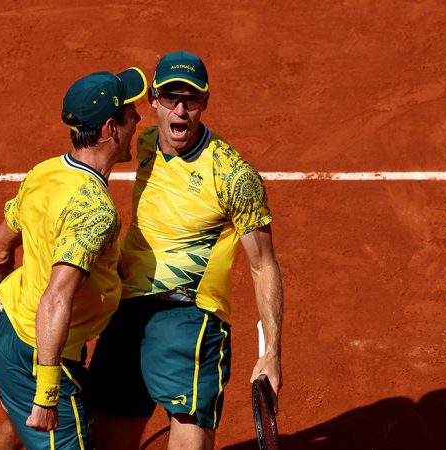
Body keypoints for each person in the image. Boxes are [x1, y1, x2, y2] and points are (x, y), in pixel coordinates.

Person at [88, 51, 284, 450]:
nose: (181, 110)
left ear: (205, 102)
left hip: (189, 315)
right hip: (125, 307)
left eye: (191, 99)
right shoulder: (142, 144)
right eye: (171, 98)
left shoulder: (233, 175)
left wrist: (272, 351)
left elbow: (263, 264)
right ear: (153, 101)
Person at [0, 66, 147, 450]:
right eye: (129, 112)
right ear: (110, 129)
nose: (138, 118)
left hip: (8, 339)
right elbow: (56, 297)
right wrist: (47, 393)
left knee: (13, 425)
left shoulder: (44, 172)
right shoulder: (93, 209)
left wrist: (5, 292)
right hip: (39, 358)